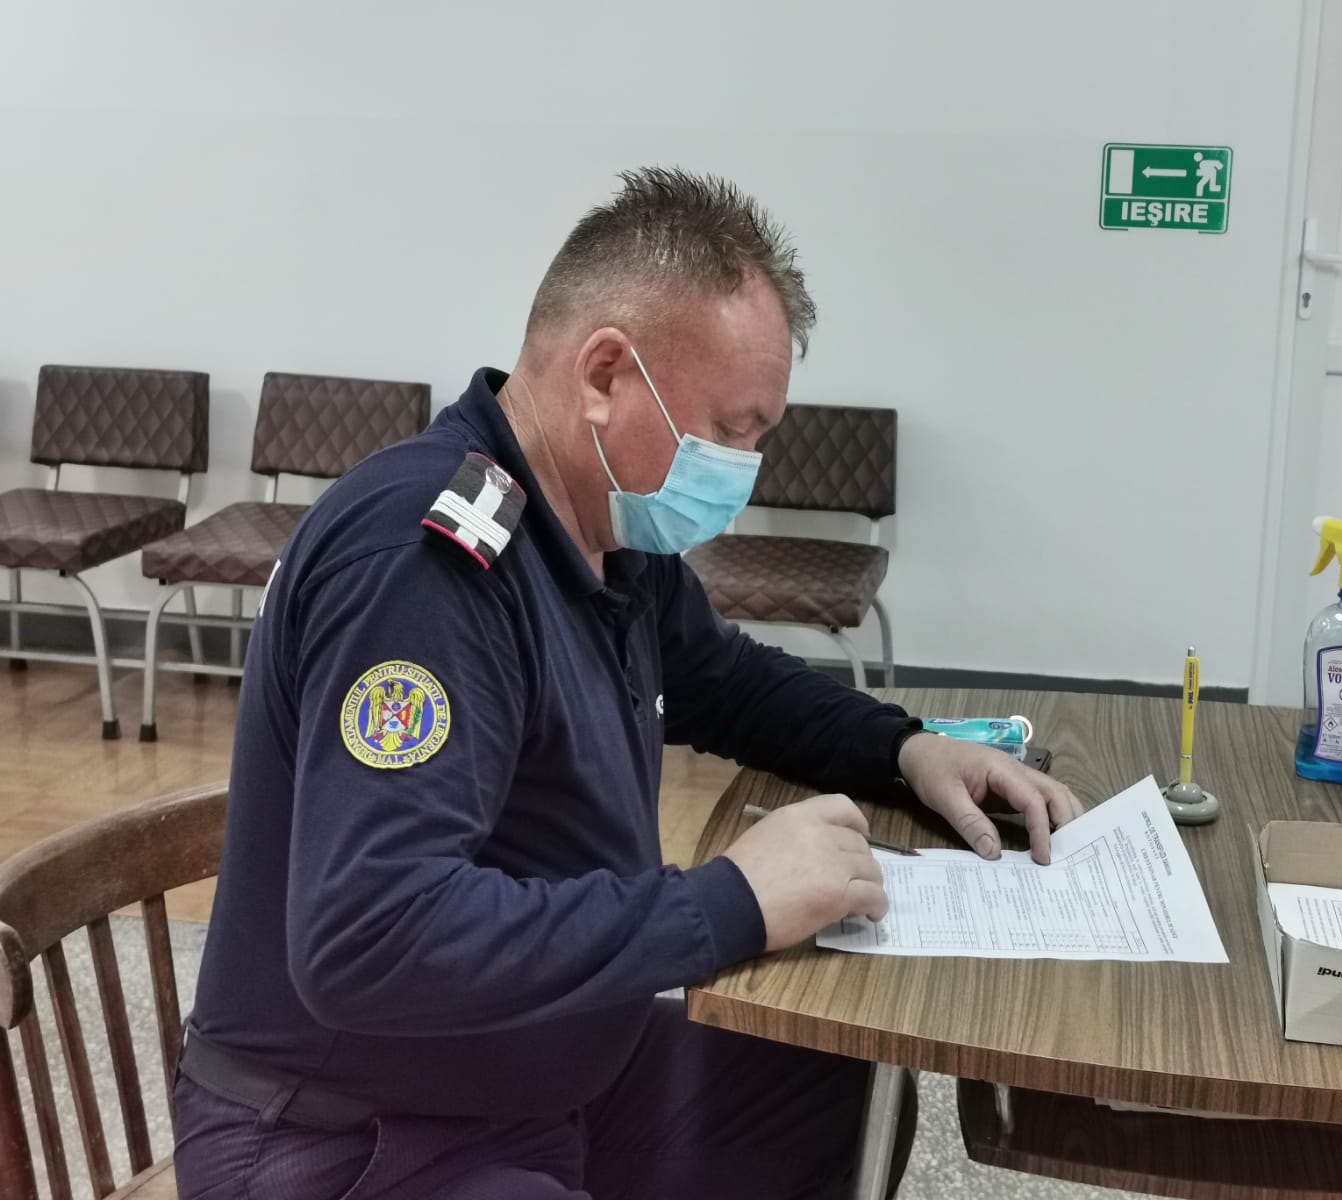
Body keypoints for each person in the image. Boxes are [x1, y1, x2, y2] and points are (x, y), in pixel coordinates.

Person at [173, 166, 1082, 1199]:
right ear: (605, 373)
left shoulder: (601, 531)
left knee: (839, 1095)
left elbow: (729, 683)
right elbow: (369, 939)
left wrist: (905, 748)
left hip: (534, 1071)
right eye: (729, 430)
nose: (742, 468)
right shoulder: (426, 564)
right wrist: (727, 904)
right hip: (352, 1134)